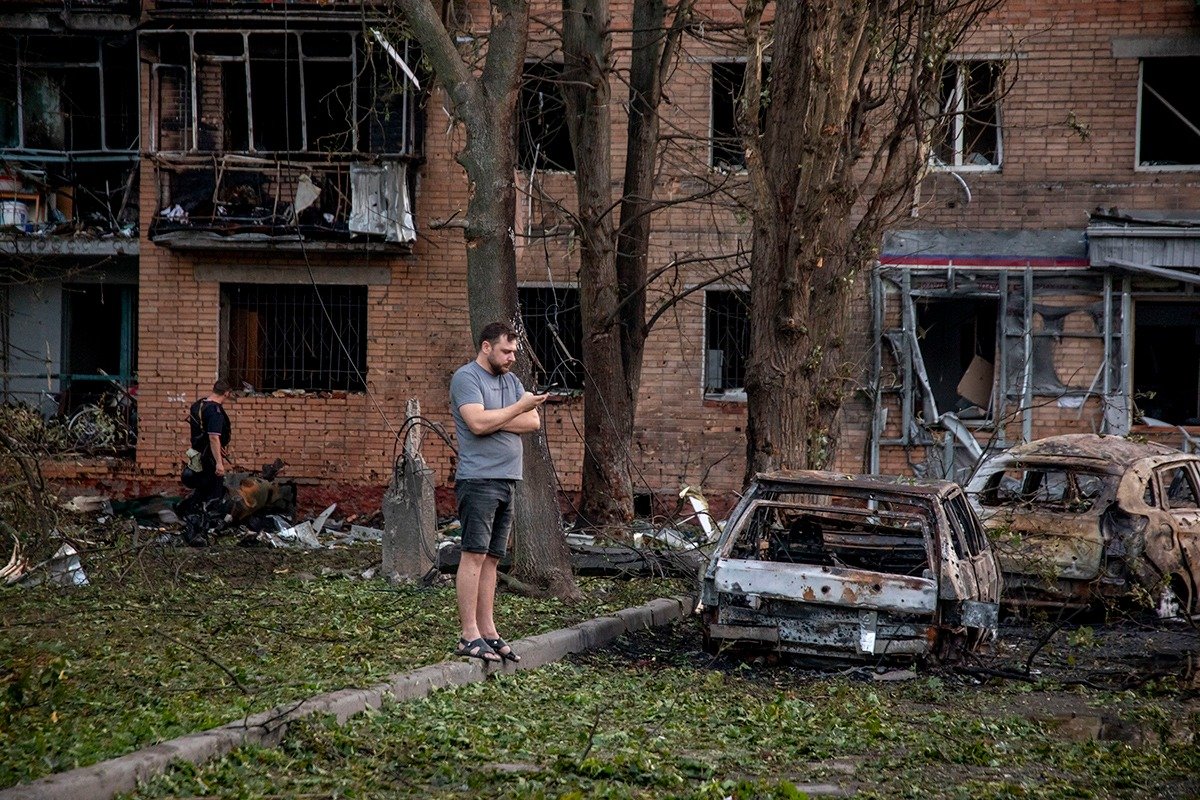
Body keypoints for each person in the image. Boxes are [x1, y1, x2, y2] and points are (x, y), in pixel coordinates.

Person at [449, 322, 548, 663]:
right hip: (479, 480)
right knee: (473, 554)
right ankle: (468, 634)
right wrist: (515, 410)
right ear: (486, 347)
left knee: (493, 558)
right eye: (507, 351)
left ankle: (488, 632)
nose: (512, 358)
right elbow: (475, 424)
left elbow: (532, 423)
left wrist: (497, 417)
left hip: (508, 479)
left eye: (515, 352)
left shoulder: (512, 381)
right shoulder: (467, 379)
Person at [181, 379, 233, 516]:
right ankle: (209, 521)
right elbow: (213, 437)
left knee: (202, 486)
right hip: (208, 456)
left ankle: (193, 514)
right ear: (227, 393)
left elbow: (201, 432)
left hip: (196, 453)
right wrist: (219, 463)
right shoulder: (215, 411)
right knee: (214, 490)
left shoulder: (198, 405)